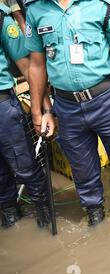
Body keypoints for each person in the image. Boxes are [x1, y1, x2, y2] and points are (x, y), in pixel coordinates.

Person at [25, 0, 110, 226]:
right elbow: (36, 64)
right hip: (66, 105)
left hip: (105, 100)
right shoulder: (36, 9)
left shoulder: (102, 5)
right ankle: (94, 212)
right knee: (82, 168)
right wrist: (39, 111)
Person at [0, 3, 52, 228]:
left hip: (2, 106)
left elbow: (27, 66)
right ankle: (11, 215)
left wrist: (45, 107)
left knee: (25, 165)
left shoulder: (2, 19)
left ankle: (44, 213)